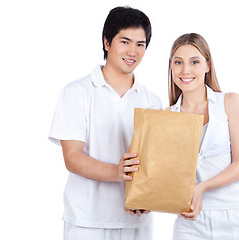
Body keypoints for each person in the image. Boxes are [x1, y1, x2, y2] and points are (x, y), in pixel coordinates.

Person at [49, 6, 161, 240]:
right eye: (125, 41)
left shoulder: (152, 101)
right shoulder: (77, 92)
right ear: (107, 42)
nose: (133, 51)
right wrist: (117, 172)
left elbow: (155, 164)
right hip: (86, 221)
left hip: (137, 222)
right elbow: (72, 158)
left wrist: (149, 197)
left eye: (140, 44)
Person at [167, 33, 239, 239]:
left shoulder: (230, 102)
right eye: (178, 62)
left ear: (208, 65)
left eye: (194, 62)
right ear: (171, 67)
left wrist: (202, 187)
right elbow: (166, 175)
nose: (186, 70)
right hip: (190, 222)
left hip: (238, 216)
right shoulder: (166, 116)